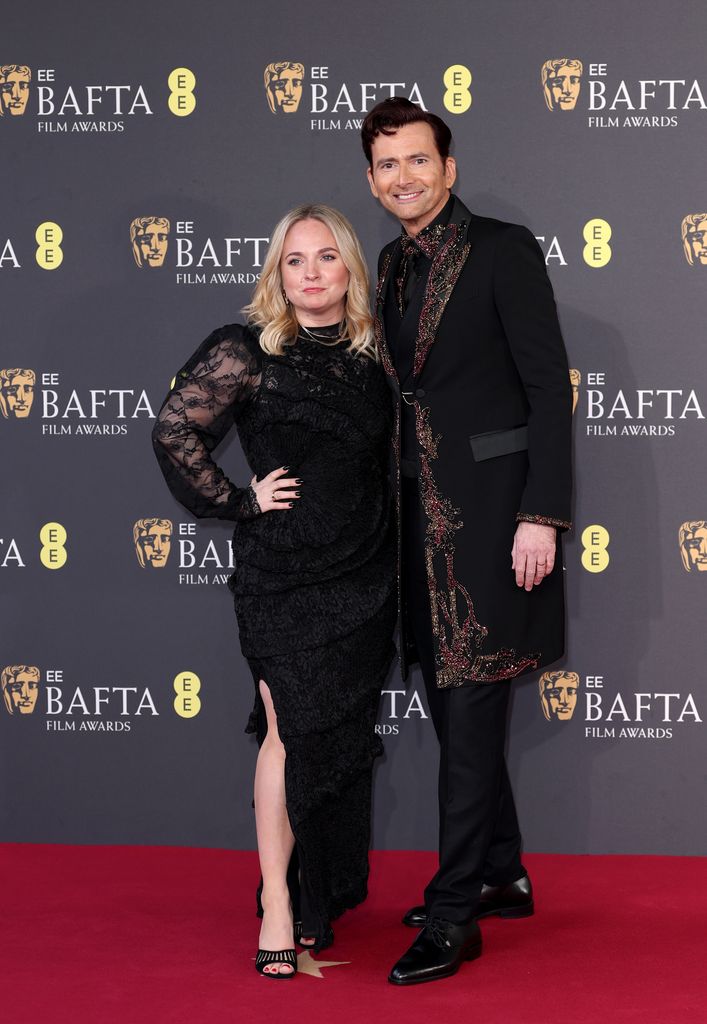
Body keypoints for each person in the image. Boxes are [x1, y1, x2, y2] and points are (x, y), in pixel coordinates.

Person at [152, 204, 396, 978]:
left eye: (328, 257)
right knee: (286, 729)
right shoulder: (245, 350)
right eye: (296, 260)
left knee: (333, 738)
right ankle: (278, 907)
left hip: (363, 572)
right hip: (282, 575)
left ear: (350, 269)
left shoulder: (374, 355)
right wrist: (236, 500)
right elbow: (172, 431)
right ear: (276, 273)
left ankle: (314, 894)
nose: (313, 272)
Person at [361, 98, 573, 985]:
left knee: (476, 698)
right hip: (414, 519)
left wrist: (541, 514)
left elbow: (546, 392)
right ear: (370, 181)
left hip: (492, 517)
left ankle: (455, 916)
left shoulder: (502, 250)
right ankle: (500, 869)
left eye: (418, 160)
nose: (403, 177)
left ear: (449, 168)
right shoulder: (388, 263)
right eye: (385, 165)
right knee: (453, 703)